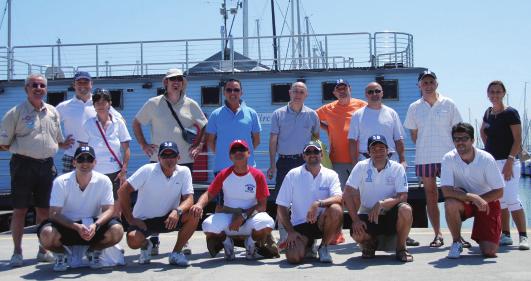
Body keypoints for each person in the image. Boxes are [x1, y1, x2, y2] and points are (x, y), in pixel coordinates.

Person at [0, 74, 74, 267]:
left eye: (42, 85)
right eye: (34, 85)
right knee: (20, 210)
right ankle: (17, 252)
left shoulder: (52, 112)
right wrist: (25, 150)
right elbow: (3, 143)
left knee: (45, 210)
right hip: (23, 165)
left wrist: (65, 144)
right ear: (27, 88)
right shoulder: (15, 113)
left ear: (46, 89)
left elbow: (58, 139)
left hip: (46, 165)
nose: (38, 88)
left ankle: (43, 250)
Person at [133, 68, 206, 254]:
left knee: (184, 200)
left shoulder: (191, 104)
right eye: (172, 79)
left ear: (183, 83)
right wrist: (143, 144)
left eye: (179, 79)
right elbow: (136, 122)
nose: (176, 82)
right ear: (165, 82)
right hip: (158, 160)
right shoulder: (153, 103)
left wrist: (198, 145)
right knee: (154, 198)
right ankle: (154, 239)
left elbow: (204, 125)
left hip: (184, 161)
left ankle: (184, 240)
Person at [348, 81, 418, 247]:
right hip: (367, 160)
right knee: (365, 199)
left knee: (398, 200)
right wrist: (354, 163)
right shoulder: (358, 114)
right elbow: (352, 141)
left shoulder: (391, 113)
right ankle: (366, 235)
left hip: (390, 159)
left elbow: (399, 138)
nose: (374, 94)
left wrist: (402, 159)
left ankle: (403, 235)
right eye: (370, 91)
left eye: (377, 91)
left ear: (382, 93)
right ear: (366, 95)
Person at [37, 146, 124, 271]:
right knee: (46, 234)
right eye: (81, 159)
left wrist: (96, 225)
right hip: (67, 226)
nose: (85, 163)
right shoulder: (60, 181)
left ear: (95, 162)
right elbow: (54, 213)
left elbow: (109, 209)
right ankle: (62, 254)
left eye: (89, 159)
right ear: (74, 162)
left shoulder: (104, 180)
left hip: (92, 226)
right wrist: (76, 227)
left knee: (117, 230)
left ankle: (93, 251)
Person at [404, 70, 462, 248]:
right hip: (425, 158)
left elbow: (458, 130)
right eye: (424, 82)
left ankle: (457, 236)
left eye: (431, 82)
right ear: (419, 86)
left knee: (453, 195)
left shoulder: (449, 103)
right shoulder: (414, 107)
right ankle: (438, 233)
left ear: (436, 84)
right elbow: (413, 134)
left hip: (448, 158)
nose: (428, 85)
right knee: (430, 196)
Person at [190, 140, 276, 260]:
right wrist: (199, 204)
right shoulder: (223, 174)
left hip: (249, 217)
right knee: (207, 225)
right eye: (234, 151)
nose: (238, 153)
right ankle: (227, 242)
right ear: (230, 156)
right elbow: (209, 194)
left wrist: (243, 216)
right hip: (228, 218)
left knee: (267, 223)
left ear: (248, 153)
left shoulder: (257, 175)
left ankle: (250, 244)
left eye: (242, 150)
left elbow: (262, 206)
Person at [118, 141, 198, 266]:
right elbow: (122, 191)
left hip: (169, 218)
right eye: (164, 156)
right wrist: (131, 219)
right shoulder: (147, 170)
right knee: (133, 241)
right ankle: (146, 245)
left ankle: (176, 253)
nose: (169, 159)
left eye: (172, 155)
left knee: (195, 213)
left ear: (179, 157)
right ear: (158, 158)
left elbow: (189, 199)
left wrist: (177, 211)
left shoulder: (184, 171)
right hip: (144, 221)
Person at [266, 81, 320, 248]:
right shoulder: (278, 114)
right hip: (284, 162)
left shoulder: (312, 115)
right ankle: (283, 238)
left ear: (306, 95)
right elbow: (273, 140)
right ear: (289, 93)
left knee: (305, 199)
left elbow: (316, 139)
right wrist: (272, 164)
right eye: (295, 91)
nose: (298, 94)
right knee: (283, 201)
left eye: (301, 91)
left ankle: (308, 237)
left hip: (305, 162)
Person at [343, 135, 414, 262]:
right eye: (374, 149)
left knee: (406, 209)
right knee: (356, 233)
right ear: (368, 152)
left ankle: (401, 248)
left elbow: (403, 196)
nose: (378, 152)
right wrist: (355, 220)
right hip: (368, 214)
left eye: (381, 148)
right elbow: (347, 193)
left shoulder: (397, 168)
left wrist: (382, 204)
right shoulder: (361, 166)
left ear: (388, 151)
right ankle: (370, 244)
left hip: (390, 214)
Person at [441, 122, 504, 258]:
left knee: (489, 252)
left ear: (472, 140)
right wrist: (473, 197)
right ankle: (457, 242)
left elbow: (499, 191)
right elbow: (446, 191)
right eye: (457, 139)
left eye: (464, 138)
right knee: (450, 203)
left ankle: (484, 234)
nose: (460, 142)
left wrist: (481, 200)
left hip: (487, 202)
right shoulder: (448, 158)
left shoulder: (486, 159)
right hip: (465, 201)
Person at [275, 141, 343, 264]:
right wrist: (290, 232)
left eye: (316, 151)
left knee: (336, 209)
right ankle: (309, 245)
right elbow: (281, 206)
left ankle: (324, 247)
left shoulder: (331, 174)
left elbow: (339, 197)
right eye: (308, 152)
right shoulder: (293, 174)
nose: (312, 154)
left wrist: (317, 203)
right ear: (304, 156)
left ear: (321, 155)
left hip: (322, 223)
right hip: (299, 226)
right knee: (293, 258)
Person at [480, 80, 528, 250]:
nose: (495, 95)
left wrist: (509, 161)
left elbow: (517, 140)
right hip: (493, 163)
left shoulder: (511, 113)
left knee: (512, 199)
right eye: (492, 92)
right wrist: (487, 149)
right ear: (488, 94)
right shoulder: (488, 113)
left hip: (509, 161)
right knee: (500, 200)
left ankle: (523, 236)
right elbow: (483, 131)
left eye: (498, 92)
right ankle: (506, 234)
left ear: (503, 93)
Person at [56, 71, 123, 174]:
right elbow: (50, 126)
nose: (82, 85)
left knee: (96, 189)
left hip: (96, 160)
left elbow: (120, 121)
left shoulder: (100, 103)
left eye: (86, 82)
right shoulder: (63, 107)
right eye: (79, 82)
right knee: (70, 189)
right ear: (74, 85)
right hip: (72, 156)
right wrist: (59, 144)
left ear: (91, 84)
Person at [78, 89, 131, 212]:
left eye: (104, 102)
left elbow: (126, 149)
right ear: (94, 105)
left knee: (116, 208)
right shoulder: (88, 124)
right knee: (94, 207)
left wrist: (124, 170)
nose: (100, 105)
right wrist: (83, 171)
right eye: (97, 103)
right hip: (94, 172)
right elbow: (82, 150)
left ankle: (116, 229)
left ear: (110, 103)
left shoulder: (119, 123)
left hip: (115, 173)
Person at [316, 79, 366, 188]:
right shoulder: (328, 108)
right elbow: (313, 118)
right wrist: (328, 128)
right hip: (337, 160)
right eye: (338, 89)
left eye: (344, 88)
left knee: (361, 194)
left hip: (361, 159)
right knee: (340, 194)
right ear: (335, 93)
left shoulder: (362, 105)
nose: (342, 91)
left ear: (350, 89)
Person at [206, 79, 262, 174]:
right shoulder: (215, 114)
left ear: (241, 92)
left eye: (236, 90)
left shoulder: (252, 113)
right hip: (222, 169)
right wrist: (222, 154)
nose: (232, 93)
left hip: (247, 168)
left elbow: (257, 140)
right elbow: (210, 141)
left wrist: (242, 156)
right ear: (224, 93)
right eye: (229, 90)